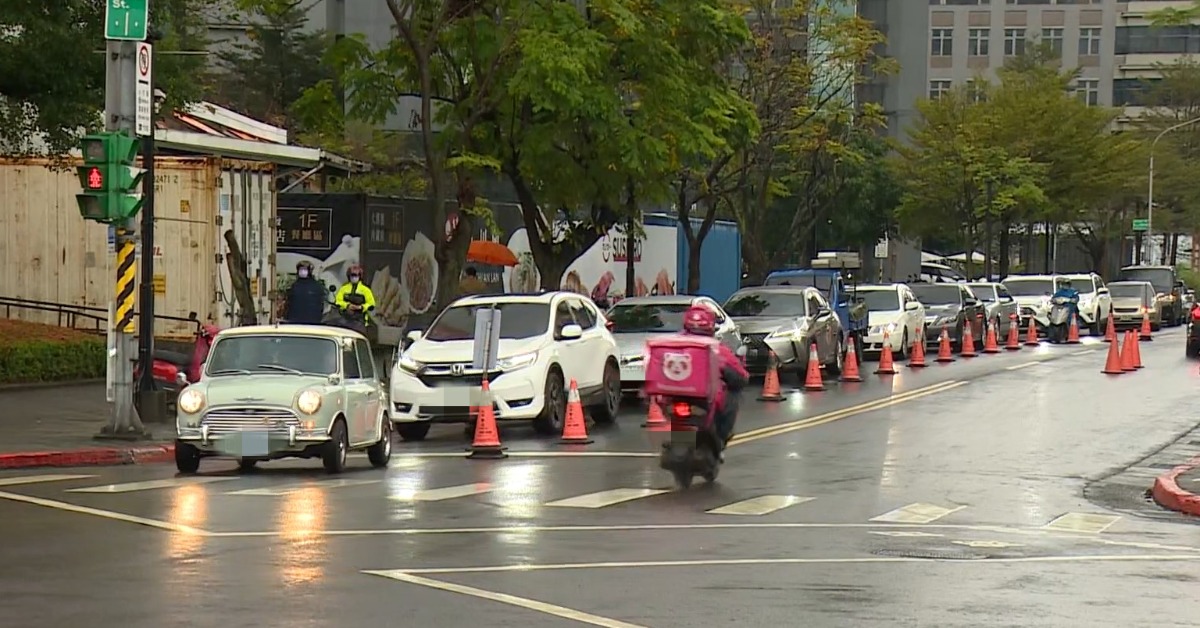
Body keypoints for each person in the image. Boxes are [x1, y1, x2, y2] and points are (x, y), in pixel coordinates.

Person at [679, 305, 749, 462]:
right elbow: (739, 376)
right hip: (704, 400)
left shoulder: (673, 345)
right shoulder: (717, 350)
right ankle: (720, 440)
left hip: (675, 397)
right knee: (733, 397)